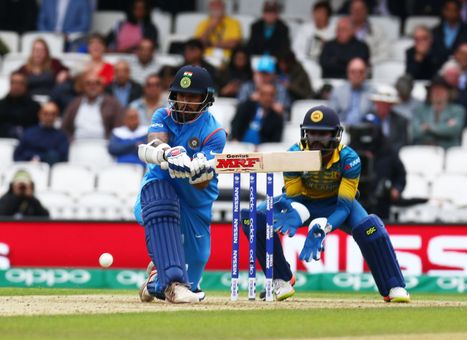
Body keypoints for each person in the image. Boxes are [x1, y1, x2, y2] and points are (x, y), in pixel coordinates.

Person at [238, 105, 410, 303]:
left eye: (323, 134)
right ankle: (281, 278)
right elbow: (294, 195)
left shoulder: (349, 159)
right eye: (312, 133)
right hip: (303, 203)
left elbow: (345, 207)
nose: (317, 140)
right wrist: (291, 209)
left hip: (336, 205)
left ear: (335, 135)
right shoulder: (293, 155)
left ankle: (393, 285)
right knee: (254, 219)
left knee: (371, 229)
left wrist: (324, 227)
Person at [134, 65, 226, 303]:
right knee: (159, 211)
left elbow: (202, 186)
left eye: (191, 97)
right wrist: (168, 153)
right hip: (159, 187)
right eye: (180, 95)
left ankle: (156, 279)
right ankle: (168, 271)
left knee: (193, 271)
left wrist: (196, 173)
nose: (184, 102)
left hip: (196, 200)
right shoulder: (162, 116)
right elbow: (154, 143)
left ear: (205, 99)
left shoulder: (214, 133)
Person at [349, 115, 406, 220]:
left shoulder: (387, 150)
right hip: (356, 198)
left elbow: (400, 174)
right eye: (365, 128)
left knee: (378, 229)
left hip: (380, 200)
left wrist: (397, 189)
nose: (368, 133)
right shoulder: (350, 150)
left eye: (371, 129)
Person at [62, 71, 124, 140]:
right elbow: (64, 127)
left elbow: (119, 128)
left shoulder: (113, 104)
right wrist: (70, 140)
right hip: (77, 146)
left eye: (97, 83)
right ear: (83, 86)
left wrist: (111, 142)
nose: (92, 86)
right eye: (88, 83)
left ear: (102, 86)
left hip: (104, 146)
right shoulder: (75, 104)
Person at [412, 76, 466, 148]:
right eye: (435, 90)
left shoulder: (457, 110)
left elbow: (453, 131)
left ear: (448, 93)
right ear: (430, 93)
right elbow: (415, 132)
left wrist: (429, 127)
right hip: (424, 149)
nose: (438, 93)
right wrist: (443, 127)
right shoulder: (420, 111)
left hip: (448, 150)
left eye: (441, 90)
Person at [431, 0, 467, 67]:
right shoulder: (435, 31)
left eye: (454, 10)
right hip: (438, 68)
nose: (451, 13)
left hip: (462, 67)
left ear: (459, 11)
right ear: (443, 11)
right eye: (448, 10)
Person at [328, 57, 373, 126]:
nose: (357, 75)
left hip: (365, 129)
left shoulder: (373, 92)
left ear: (365, 74)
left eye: (360, 72)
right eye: (353, 72)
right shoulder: (338, 91)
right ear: (348, 73)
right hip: (342, 129)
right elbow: (330, 115)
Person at [368, 85, 409, 152]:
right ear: (376, 103)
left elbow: (403, 142)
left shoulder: (401, 121)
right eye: (380, 103)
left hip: (394, 157)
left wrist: (389, 153)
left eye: (386, 103)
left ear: (391, 105)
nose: (383, 106)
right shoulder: (368, 119)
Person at [0, 72, 40, 139]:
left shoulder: (34, 106)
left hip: (27, 141)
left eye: (20, 83)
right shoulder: (1, 105)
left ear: (25, 85)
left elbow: (36, 128)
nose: (16, 86)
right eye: (13, 83)